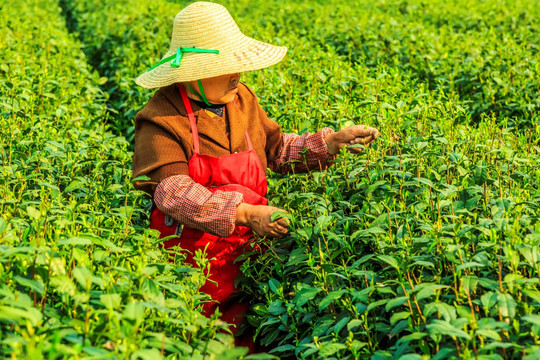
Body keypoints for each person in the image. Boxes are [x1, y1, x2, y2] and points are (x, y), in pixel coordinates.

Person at [132, 1, 379, 351]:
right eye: (224, 65)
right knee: (200, 345)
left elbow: (277, 150)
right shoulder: (160, 118)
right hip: (193, 267)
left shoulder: (242, 99)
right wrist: (245, 213)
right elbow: (174, 193)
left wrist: (331, 142)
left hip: (251, 254)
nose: (237, 73)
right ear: (193, 73)